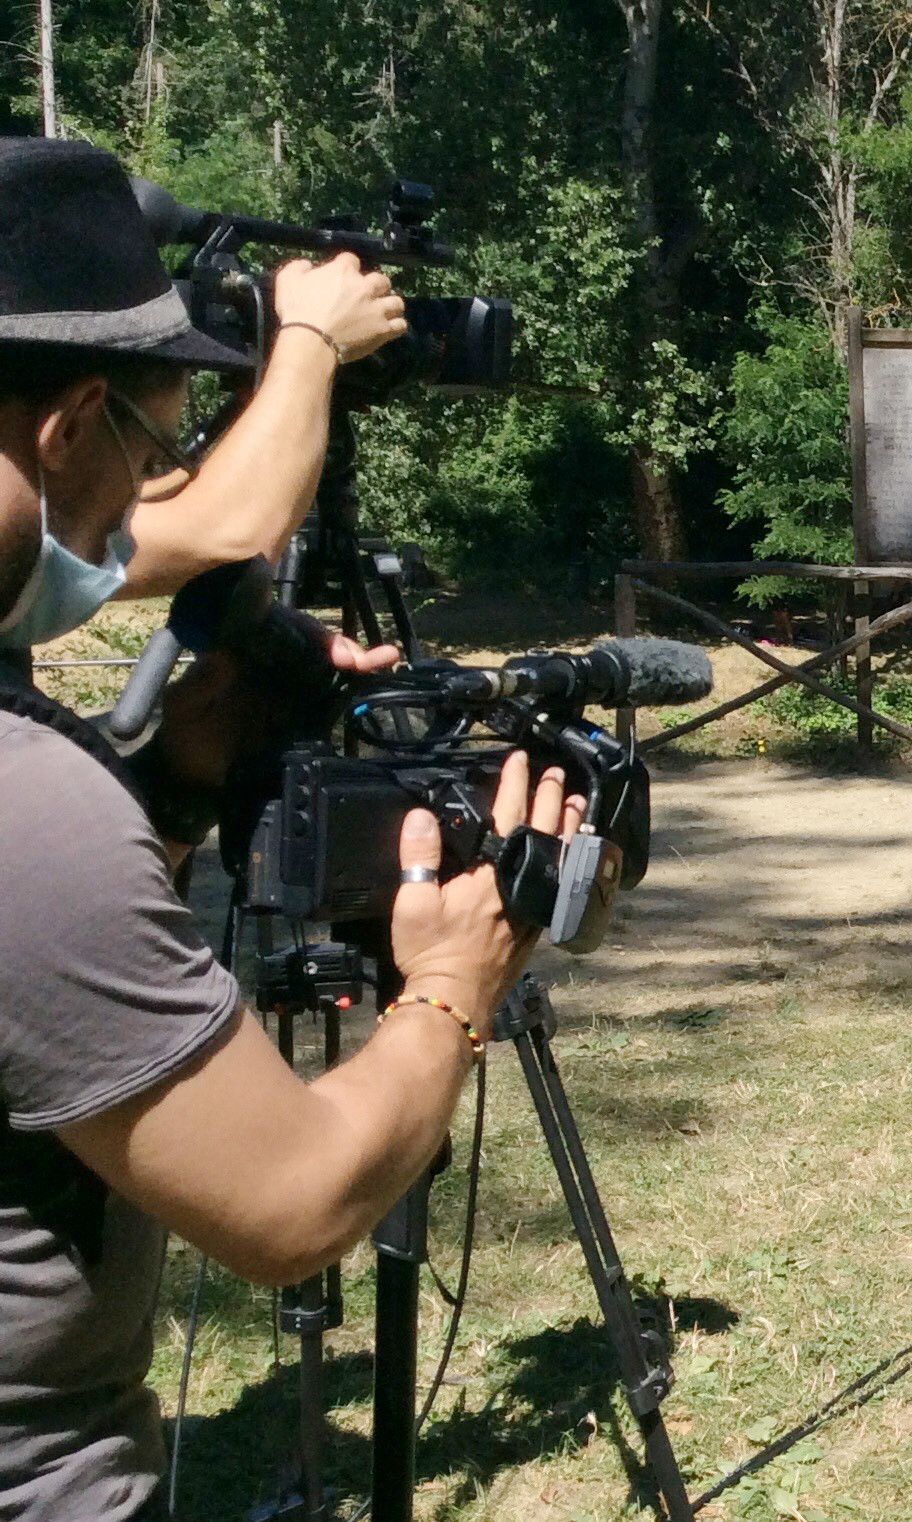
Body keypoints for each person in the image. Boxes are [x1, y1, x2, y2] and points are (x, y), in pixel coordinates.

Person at [0, 138, 577, 1521]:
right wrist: (450, 982)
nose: (143, 506)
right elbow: (297, 1204)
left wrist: (181, 781)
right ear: (74, 425)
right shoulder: (30, 815)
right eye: (150, 449)